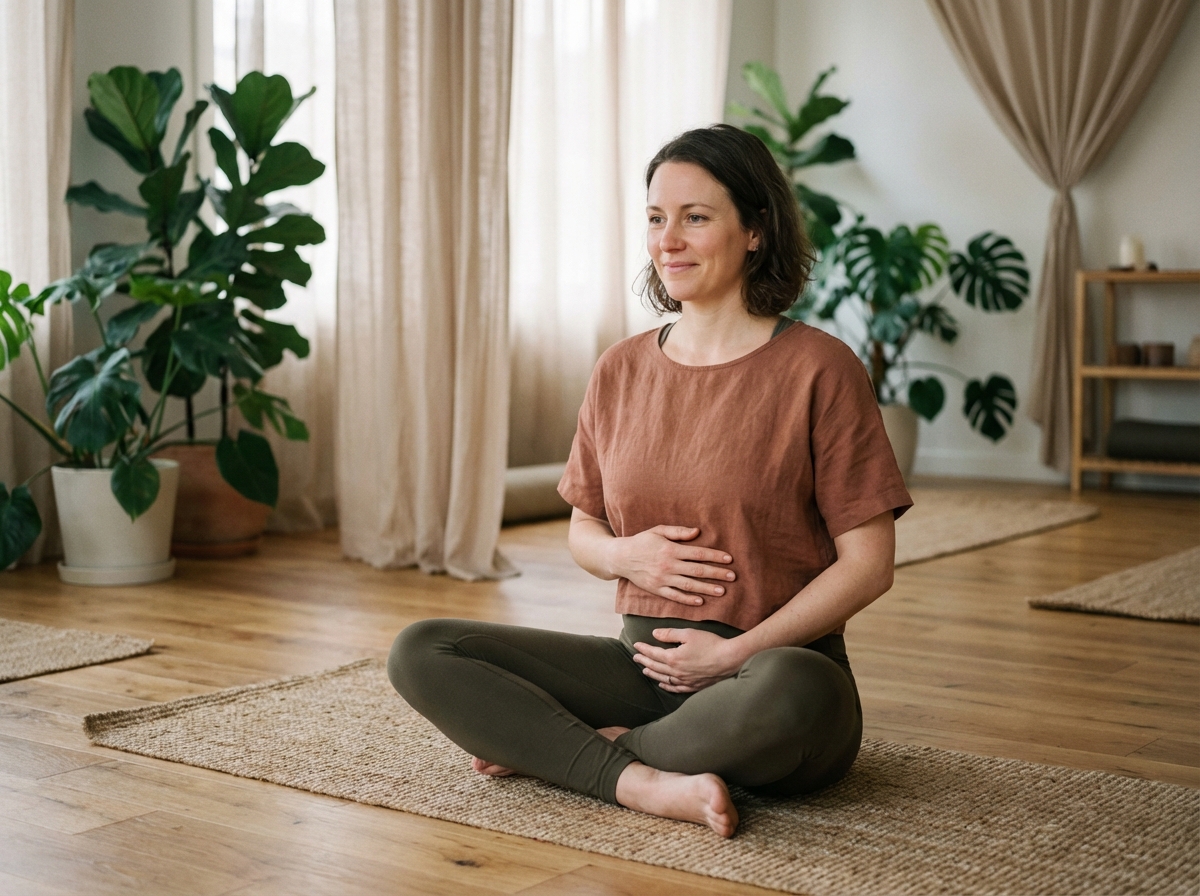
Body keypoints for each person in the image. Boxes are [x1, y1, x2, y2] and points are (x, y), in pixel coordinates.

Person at [388, 124, 912, 838]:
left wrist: (732, 655)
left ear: (756, 230)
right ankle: (645, 781)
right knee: (423, 649)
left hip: (766, 676)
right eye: (657, 219)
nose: (669, 240)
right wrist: (623, 556)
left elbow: (869, 564)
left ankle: (586, 755)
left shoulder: (821, 369)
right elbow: (584, 526)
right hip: (640, 672)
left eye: (696, 218)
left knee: (798, 692)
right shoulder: (621, 368)